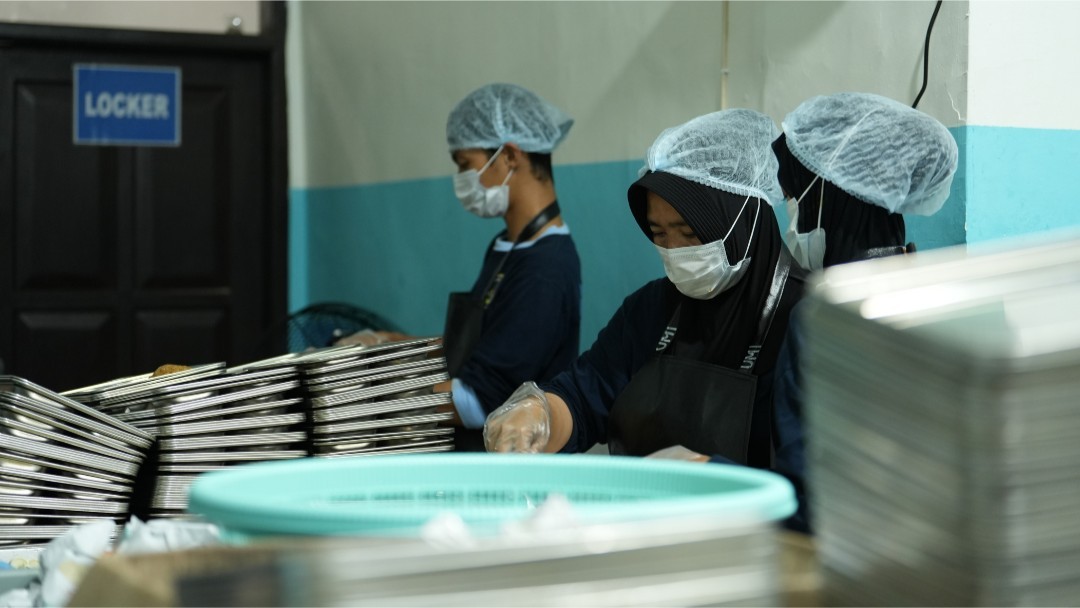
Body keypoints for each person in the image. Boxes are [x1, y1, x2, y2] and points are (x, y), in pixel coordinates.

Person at [483, 109, 805, 475]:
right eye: (659, 233)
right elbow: (583, 397)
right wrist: (539, 416)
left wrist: (708, 473)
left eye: (689, 232)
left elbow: (815, 484)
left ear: (745, 219)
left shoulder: (805, 319)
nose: (674, 249)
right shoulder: (651, 309)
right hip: (641, 508)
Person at [343, 83, 581, 451]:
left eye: (465, 165)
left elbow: (479, 400)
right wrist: (389, 346)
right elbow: (478, 349)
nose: (462, 179)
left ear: (509, 155)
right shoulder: (508, 247)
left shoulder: (544, 270)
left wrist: (366, 390)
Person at [771, 92, 959, 532]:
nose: (791, 214)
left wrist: (713, 472)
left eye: (793, 198)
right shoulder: (947, 296)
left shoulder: (821, 320)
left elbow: (809, 493)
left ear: (827, 195)